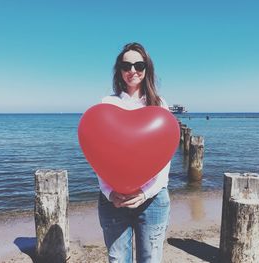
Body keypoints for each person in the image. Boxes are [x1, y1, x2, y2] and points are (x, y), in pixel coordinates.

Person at [97, 42, 171, 263]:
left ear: (147, 68)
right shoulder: (107, 104)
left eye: (139, 65)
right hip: (113, 201)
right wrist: (109, 192)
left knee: (151, 259)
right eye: (126, 65)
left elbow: (164, 158)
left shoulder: (159, 106)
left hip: (153, 200)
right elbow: (99, 155)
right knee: (117, 260)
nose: (132, 71)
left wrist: (145, 193)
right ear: (119, 69)